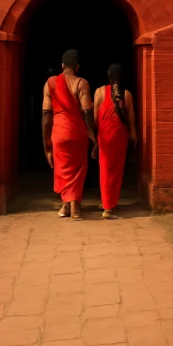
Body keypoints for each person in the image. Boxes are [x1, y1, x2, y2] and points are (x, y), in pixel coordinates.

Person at [41, 49, 96, 219]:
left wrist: (46, 141)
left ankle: (66, 205)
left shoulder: (50, 83)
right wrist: (93, 135)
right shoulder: (82, 83)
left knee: (62, 168)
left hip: (59, 131)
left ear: (62, 65)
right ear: (77, 67)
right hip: (77, 132)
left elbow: (46, 114)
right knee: (78, 169)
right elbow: (87, 111)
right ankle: (75, 208)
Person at [94, 63, 136, 219]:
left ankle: (107, 203)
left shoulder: (99, 92)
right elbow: (131, 118)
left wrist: (94, 137)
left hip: (104, 136)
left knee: (104, 169)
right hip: (119, 136)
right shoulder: (126, 95)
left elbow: (95, 117)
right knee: (116, 170)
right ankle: (108, 207)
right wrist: (134, 133)